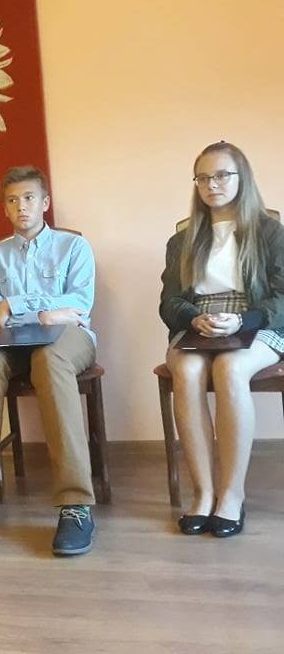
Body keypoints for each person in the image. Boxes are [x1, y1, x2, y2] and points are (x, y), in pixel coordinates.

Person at [0, 165, 99, 556]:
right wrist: (39, 309)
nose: (21, 207)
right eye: (12, 201)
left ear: (45, 202)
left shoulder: (74, 247)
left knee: (49, 360)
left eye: (29, 198)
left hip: (68, 338)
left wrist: (15, 304)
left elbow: (79, 305)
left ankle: (75, 504)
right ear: (5, 208)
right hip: (12, 341)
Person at [160, 141, 284, 538]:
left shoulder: (270, 232)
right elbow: (169, 302)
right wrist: (194, 318)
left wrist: (244, 319)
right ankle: (203, 493)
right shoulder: (182, 240)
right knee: (188, 370)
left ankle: (232, 495)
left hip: (257, 321)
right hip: (199, 324)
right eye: (202, 178)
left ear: (241, 177)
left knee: (230, 368)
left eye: (221, 175)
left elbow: (282, 296)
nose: (211, 185)